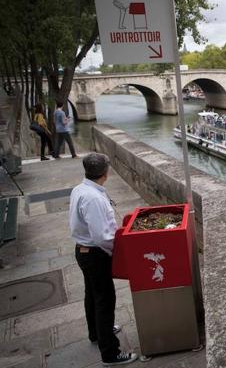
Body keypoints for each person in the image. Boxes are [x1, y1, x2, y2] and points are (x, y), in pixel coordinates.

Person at [69, 153, 137, 366]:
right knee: (105, 301)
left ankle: (96, 333)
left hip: (83, 250)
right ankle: (110, 353)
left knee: (92, 295)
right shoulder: (94, 198)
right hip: (96, 254)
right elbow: (102, 237)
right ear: (106, 173)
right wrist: (118, 252)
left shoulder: (80, 189)